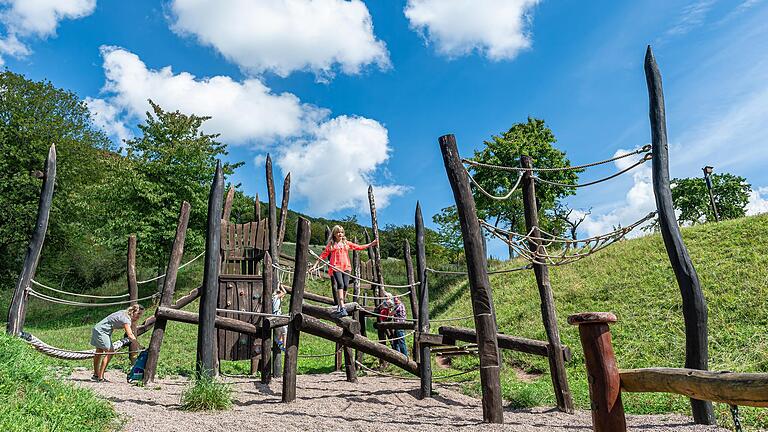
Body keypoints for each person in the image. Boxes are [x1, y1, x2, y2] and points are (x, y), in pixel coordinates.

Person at [311, 225, 378, 318]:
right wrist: (315, 265)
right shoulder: (331, 244)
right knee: (341, 285)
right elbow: (323, 255)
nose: (340, 234)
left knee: (346, 285)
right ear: (334, 234)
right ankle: (342, 307)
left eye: (342, 232)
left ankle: (340, 305)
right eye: (338, 232)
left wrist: (371, 244)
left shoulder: (346, 243)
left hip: (346, 267)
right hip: (336, 267)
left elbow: (358, 247)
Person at [90, 304, 144, 382]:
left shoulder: (125, 313)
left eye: (141, 314)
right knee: (110, 352)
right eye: (138, 314)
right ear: (133, 312)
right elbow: (130, 335)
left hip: (98, 328)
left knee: (99, 351)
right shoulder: (126, 319)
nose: (139, 316)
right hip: (101, 331)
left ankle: (96, 374)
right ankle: (100, 377)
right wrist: (139, 347)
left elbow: (131, 328)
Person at [272, 285, 287, 351]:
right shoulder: (275, 297)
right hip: (276, 315)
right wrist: (281, 286)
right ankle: (282, 344)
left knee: (283, 329)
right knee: (284, 329)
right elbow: (284, 292)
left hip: (277, 315)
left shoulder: (275, 298)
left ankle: (280, 341)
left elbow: (283, 293)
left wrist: (278, 286)